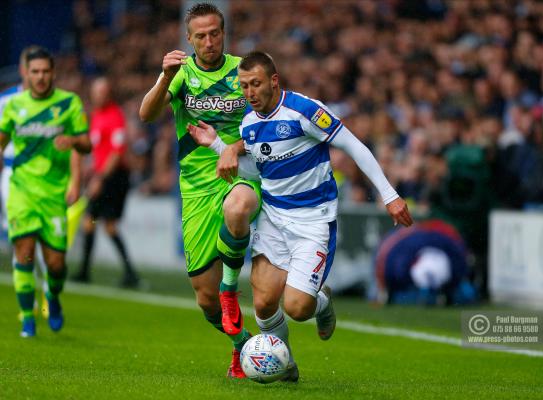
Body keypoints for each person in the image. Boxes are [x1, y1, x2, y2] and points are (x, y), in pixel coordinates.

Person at [188, 51, 414, 381]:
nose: (249, 92)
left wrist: (389, 194)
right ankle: (286, 365)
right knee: (264, 304)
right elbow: (259, 166)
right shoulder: (250, 124)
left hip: (313, 221)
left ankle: (322, 302)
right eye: (244, 86)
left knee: (296, 308)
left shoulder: (305, 111)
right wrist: (217, 147)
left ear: (274, 81)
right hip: (274, 218)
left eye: (256, 84)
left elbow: (353, 146)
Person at [138, 3, 260, 378]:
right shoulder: (180, 74)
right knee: (205, 301)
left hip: (242, 173)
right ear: (188, 39)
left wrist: (234, 150)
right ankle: (245, 348)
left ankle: (230, 287)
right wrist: (163, 78)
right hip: (194, 188)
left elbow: (269, 122)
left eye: (215, 34)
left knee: (238, 207)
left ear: (224, 34)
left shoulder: (244, 71)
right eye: (201, 36)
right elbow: (146, 115)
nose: (209, 42)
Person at [0, 46, 91, 337]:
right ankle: (28, 317)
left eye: (45, 71)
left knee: (55, 264)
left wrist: (73, 140)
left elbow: (87, 145)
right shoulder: (14, 105)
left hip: (54, 193)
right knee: (24, 253)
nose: (40, 77)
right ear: (27, 73)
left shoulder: (69, 104)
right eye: (34, 71)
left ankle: (52, 296)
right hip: (21, 190)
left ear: (53, 73)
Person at [72, 77, 139, 287]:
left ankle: (128, 274)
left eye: (102, 91)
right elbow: (100, 150)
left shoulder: (115, 116)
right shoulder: (96, 116)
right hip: (102, 175)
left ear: (109, 93)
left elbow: (117, 153)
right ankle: (88, 271)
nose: (98, 95)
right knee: (91, 223)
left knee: (106, 225)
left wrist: (100, 179)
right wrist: (90, 169)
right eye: (96, 91)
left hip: (114, 177)